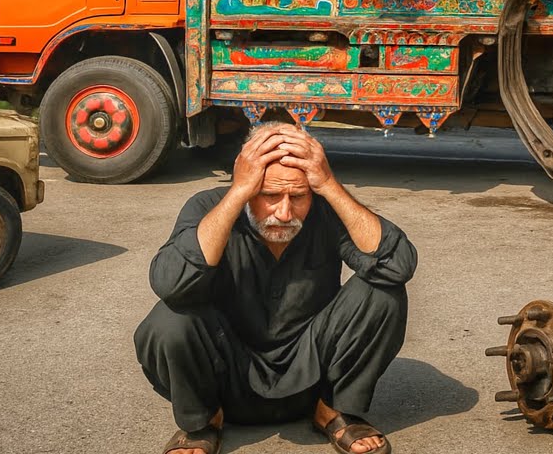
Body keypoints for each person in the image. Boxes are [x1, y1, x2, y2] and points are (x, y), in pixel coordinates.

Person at [134, 123, 416, 454]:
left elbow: (397, 265)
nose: (284, 213)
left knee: (384, 292)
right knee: (170, 319)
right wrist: (237, 193)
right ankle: (204, 422)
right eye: (269, 195)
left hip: (312, 379)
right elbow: (170, 284)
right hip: (227, 379)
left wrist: (329, 185)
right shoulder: (208, 207)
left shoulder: (325, 208)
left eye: (297, 197)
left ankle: (335, 412)